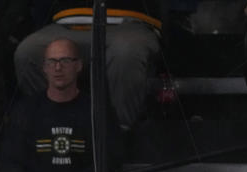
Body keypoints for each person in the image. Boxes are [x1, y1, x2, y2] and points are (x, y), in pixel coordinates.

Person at [0, 38, 123, 172]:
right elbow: (9, 163)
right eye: (52, 61)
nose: (58, 67)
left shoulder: (97, 109)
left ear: (78, 65)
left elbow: (111, 159)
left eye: (65, 60)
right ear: (44, 68)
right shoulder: (26, 109)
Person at [13, 0, 162, 129]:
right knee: (29, 52)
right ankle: (56, 126)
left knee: (125, 52)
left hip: (130, 21)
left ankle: (118, 134)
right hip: (68, 22)